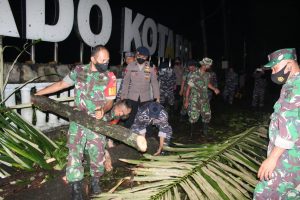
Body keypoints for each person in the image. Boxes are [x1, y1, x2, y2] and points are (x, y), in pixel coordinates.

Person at [35, 45, 116, 199]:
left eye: (108, 60)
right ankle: (76, 186)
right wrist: (40, 93)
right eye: (102, 60)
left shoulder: (110, 77)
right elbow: (60, 85)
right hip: (78, 118)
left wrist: (103, 110)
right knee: (74, 152)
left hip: (97, 121)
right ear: (93, 59)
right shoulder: (78, 72)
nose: (106, 63)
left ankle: (95, 180)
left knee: (97, 153)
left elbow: (110, 101)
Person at [253, 48, 300, 199]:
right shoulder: (290, 84)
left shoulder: (296, 87)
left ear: (289, 64)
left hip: (287, 157)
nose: (273, 72)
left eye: (275, 67)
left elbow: (289, 128)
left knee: (263, 194)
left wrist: (272, 158)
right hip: (293, 155)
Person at [121, 46, 160, 129]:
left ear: (147, 57)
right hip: (132, 96)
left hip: (145, 96)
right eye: (139, 56)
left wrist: (157, 97)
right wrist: (123, 96)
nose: (141, 58)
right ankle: (126, 135)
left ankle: (147, 136)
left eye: (144, 57)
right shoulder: (130, 66)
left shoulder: (151, 67)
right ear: (136, 55)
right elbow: (126, 82)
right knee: (130, 117)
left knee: (146, 117)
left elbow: (154, 83)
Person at [184, 58, 220, 136]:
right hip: (194, 99)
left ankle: (205, 132)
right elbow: (188, 88)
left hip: (204, 99)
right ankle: (192, 133)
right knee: (193, 117)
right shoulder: (193, 74)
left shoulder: (208, 75)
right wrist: (186, 100)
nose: (209, 67)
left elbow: (207, 84)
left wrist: (214, 89)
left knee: (207, 115)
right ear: (204, 65)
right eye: (208, 65)